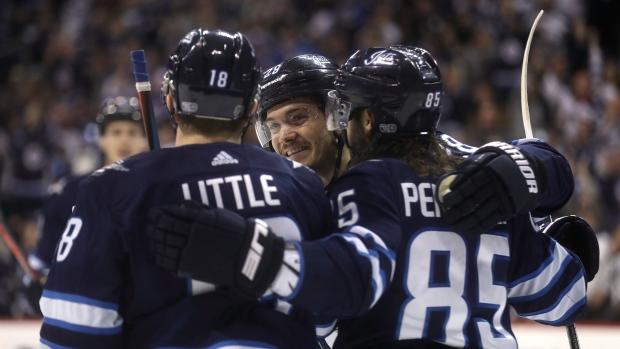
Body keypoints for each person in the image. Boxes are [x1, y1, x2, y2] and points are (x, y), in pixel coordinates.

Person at [147, 46, 598, 348]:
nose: (283, 137)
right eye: (272, 125)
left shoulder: (354, 194)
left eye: (299, 117)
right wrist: (536, 177)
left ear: (344, 114)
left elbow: (313, 316)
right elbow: (561, 295)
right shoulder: (469, 171)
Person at [39, 28, 334, 349]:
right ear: (252, 108)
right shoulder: (304, 184)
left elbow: (73, 331)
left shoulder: (113, 187)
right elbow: (326, 316)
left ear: (170, 101)